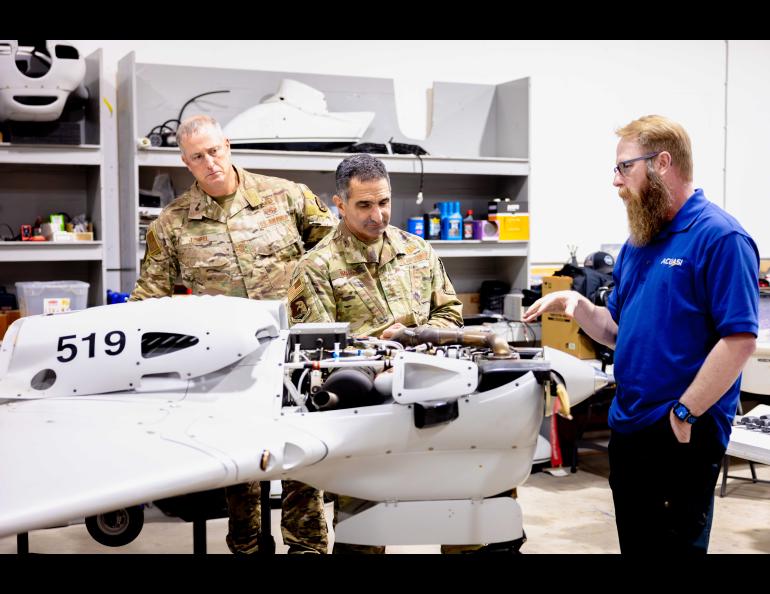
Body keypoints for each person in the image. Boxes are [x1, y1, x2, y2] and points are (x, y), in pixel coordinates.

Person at [523, 115, 759, 555]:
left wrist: (685, 413)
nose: (616, 181)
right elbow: (617, 331)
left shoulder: (720, 237)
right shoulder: (639, 242)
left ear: (662, 163)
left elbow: (739, 340)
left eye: (623, 167)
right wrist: (577, 304)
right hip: (630, 425)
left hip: (682, 429)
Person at [130, 114, 337, 554]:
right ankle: (246, 546)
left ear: (228, 145)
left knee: (302, 456)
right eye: (198, 157)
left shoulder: (287, 196)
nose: (210, 163)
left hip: (294, 354)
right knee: (240, 470)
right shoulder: (172, 224)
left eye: (215, 151)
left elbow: (336, 251)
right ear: (186, 162)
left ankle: (306, 547)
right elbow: (148, 300)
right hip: (227, 362)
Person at [288, 153, 464, 553]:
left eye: (383, 202)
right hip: (364, 414)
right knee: (364, 531)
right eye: (364, 205)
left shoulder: (418, 251)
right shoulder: (316, 267)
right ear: (340, 204)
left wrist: (419, 336)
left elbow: (451, 313)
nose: (378, 215)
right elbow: (319, 352)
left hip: (428, 401)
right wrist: (384, 344)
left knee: (457, 512)